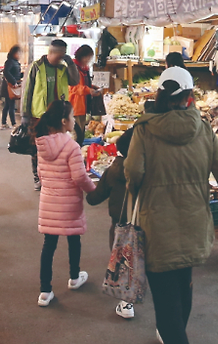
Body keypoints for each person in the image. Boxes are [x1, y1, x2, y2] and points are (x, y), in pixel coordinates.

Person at [125, 67, 218, 344]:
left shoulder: (144, 130)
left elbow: (134, 174)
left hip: (157, 227)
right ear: (190, 97)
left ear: (160, 95)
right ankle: (172, 333)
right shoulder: (203, 130)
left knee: (166, 303)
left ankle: (172, 334)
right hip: (194, 226)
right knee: (182, 287)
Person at [34, 100, 96, 307]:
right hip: (70, 202)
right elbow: (79, 177)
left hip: (49, 201)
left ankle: (45, 291)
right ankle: (74, 277)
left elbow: (41, 174)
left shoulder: (42, 144)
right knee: (73, 239)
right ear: (63, 122)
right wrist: (93, 191)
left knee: (49, 245)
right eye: (71, 117)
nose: (73, 120)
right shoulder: (71, 146)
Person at [86, 129, 136, 319]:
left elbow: (96, 197)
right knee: (140, 257)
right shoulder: (146, 170)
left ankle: (126, 303)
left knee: (121, 259)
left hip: (119, 222)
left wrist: (86, 192)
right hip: (142, 221)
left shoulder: (114, 169)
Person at [22, 39, 80, 190]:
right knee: (38, 149)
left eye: (64, 56)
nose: (61, 59)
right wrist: (25, 114)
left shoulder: (63, 68)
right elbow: (27, 90)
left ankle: (52, 176)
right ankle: (37, 177)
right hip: (39, 115)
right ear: (51, 53)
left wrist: (71, 63)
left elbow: (75, 81)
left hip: (58, 115)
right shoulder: (36, 67)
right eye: (60, 56)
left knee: (57, 148)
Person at [67, 45, 103, 146]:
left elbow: (83, 84)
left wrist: (92, 87)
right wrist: (88, 90)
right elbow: (73, 87)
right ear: (83, 56)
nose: (89, 60)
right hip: (75, 105)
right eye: (89, 57)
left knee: (80, 133)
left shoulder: (83, 69)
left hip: (82, 106)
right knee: (76, 135)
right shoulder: (74, 68)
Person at [2, 45, 24, 130]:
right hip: (9, 87)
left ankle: (4, 123)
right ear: (14, 53)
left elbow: (15, 73)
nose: (20, 55)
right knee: (11, 105)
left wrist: (22, 75)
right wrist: (14, 82)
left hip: (10, 86)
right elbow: (6, 72)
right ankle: (14, 123)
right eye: (19, 53)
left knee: (7, 105)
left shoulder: (14, 62)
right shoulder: (10, 62)